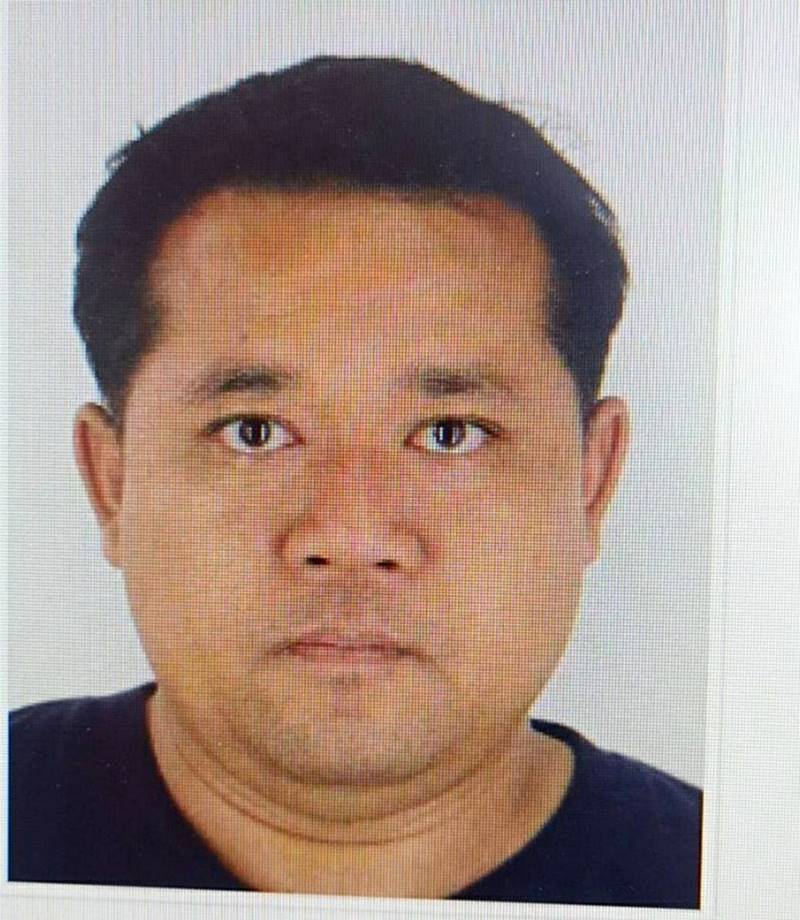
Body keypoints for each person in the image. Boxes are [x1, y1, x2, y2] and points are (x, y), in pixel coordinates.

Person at [8, 56, 701, 907]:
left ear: (591, 482)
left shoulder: (742, 877)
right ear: (110, 481)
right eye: (254, 433)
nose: (349, 535)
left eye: (449, 434)